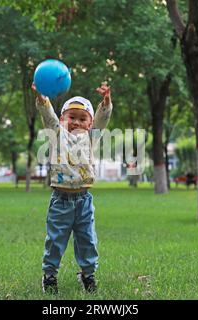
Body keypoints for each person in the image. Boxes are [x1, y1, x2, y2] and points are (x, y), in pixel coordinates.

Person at [32, 82, 113, 294]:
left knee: (87, 239)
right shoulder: (58, 134)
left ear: (90, 123)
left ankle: (88, 274)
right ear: (62, 119)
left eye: (82, 118)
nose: (76, 122)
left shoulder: (91, 137)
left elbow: (103, 119)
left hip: (84, 200)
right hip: (60, 200)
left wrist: (105, 103)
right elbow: (48, 115)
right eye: (71, 117)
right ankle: (49, 275)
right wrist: (42, 98)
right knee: (55, 241)